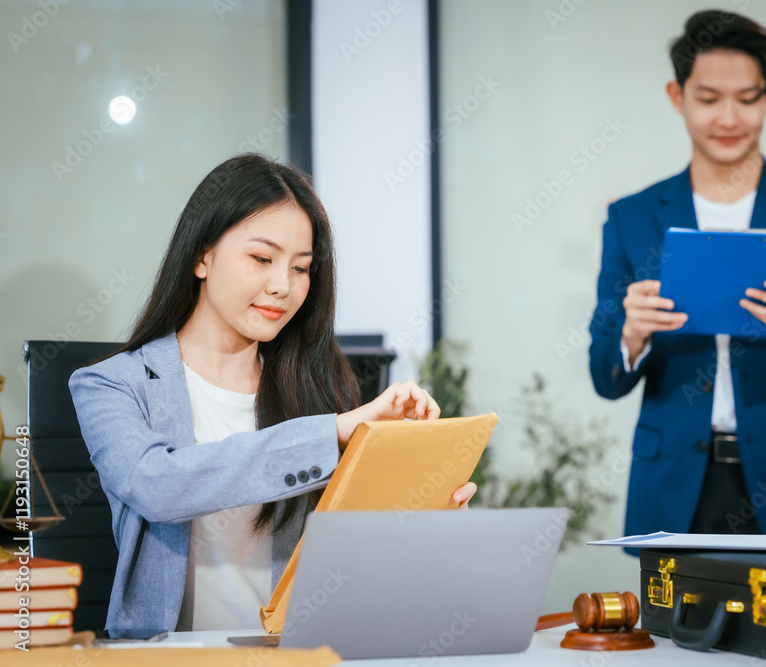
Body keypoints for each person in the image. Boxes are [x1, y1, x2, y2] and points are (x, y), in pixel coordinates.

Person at [68, 154, 476, 638]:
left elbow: (351, 565)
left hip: (296, 652)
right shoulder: (110, 385)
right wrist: (334, 434)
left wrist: (422, 515)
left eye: (302, 268)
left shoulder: (320, 391)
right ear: (202, 255)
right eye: (261, 259)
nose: (283, 286)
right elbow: (158, 486)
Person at [588, 11, 766, 543]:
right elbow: (604, 378)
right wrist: (631, 335)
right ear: (677, 96)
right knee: (677, 628)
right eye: (708, 98)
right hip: (678, 485)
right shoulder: (631, 217)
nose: (728, 117)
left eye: (747, 98)